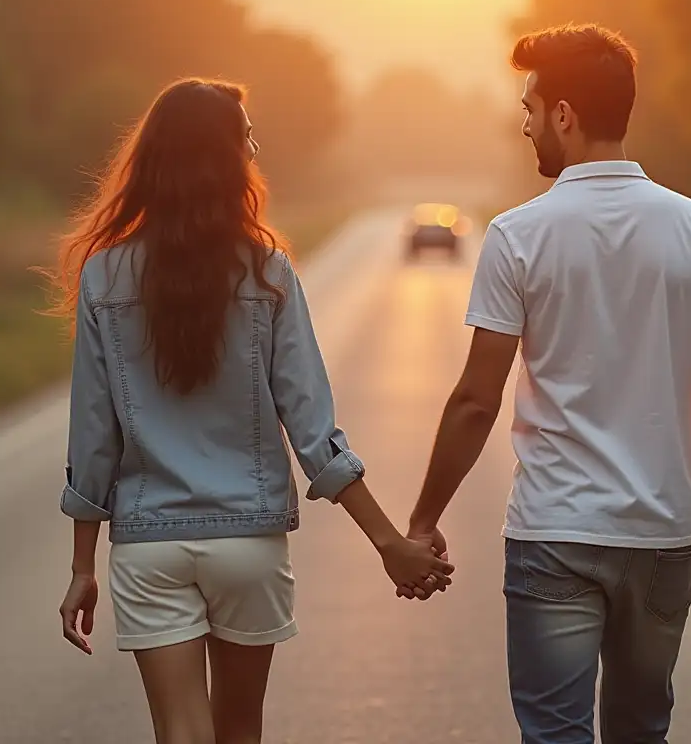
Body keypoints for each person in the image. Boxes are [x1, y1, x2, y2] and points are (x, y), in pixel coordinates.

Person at [51, 79, 452, 744]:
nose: (255, 150)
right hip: (249, 541)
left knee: (181, 733)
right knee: (238, 732)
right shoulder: (267, 271)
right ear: (229, 160)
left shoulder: (104, 275)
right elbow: (314, 430)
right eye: (248, 140)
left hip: (149, 543)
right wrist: (390, 545)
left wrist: (82, 568)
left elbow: (93, 440)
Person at [403, 25, 691, 743]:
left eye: (531, 108)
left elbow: (476, 400)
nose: (527, 124)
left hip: (555, 533)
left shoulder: (518, 235)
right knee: (641, 732)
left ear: (564, 114)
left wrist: (424, 518)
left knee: (556, 735)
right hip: (663, 534)